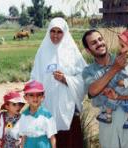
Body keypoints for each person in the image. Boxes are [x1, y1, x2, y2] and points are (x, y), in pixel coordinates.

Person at [82, 29, 128, 148]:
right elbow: (92, 91)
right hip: (107, 122)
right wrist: (115, 69)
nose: (99, 43)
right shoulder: (88, 71)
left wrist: (119, 96)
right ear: (88, 50)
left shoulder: (126, 59)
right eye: (93, 43)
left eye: (100, 39)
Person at [30, 17, 87, 148]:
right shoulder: (42, 52)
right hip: (47, 104)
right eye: (52, 31)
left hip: (68, 107)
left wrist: (66, 79)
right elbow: (35, 76)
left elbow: (84, 77)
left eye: (59, 32)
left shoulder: (72, 52)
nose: (55, 35)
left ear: (65, 32)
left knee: (68, 141)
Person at [96, 29, 128, 129]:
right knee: (123, 100)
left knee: (113, 94)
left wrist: (123, 83)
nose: (120, 49)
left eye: (122, 46)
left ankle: (108, 115)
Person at [18, 80, 57, 148]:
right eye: (31, 95)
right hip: (29, 144)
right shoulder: (24, 115)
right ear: (26, 97)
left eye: (38, 95)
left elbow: (52, 137)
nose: (35, 98)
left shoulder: (47, 115)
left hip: (43, 144)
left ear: (43, 97)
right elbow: (23, 137)